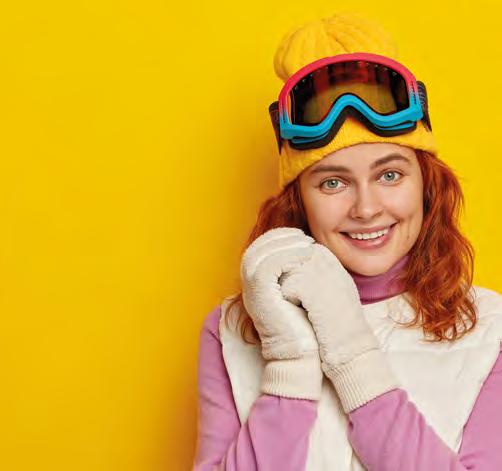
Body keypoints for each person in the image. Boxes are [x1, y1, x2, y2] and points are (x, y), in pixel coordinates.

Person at [192, 12, 502, 471]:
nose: (366, 209)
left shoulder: (492, 331)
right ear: (299, 199)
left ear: (427, 184)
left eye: (390, 175)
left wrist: (353, 359)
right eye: (332, 183)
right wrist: (289, 367)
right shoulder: (230, 332)